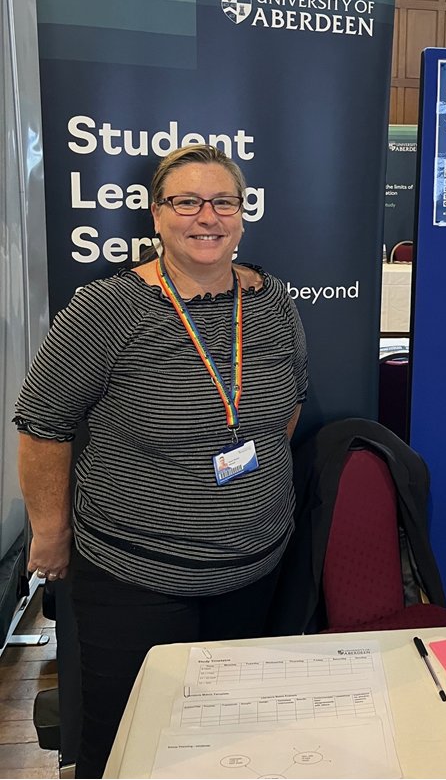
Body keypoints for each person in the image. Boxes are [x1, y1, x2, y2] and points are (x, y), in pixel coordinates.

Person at [14, 144, 307, 778]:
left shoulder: (274, 303)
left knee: (227, 741)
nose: (207, 216)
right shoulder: (105, 310)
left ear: (242, 213)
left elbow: (288, 412)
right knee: (126, 742)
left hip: (252, 571)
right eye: (186, 202)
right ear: (156, 216)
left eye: (222, 201)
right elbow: (43, 428)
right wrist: (50, 535)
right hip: (133, 579)